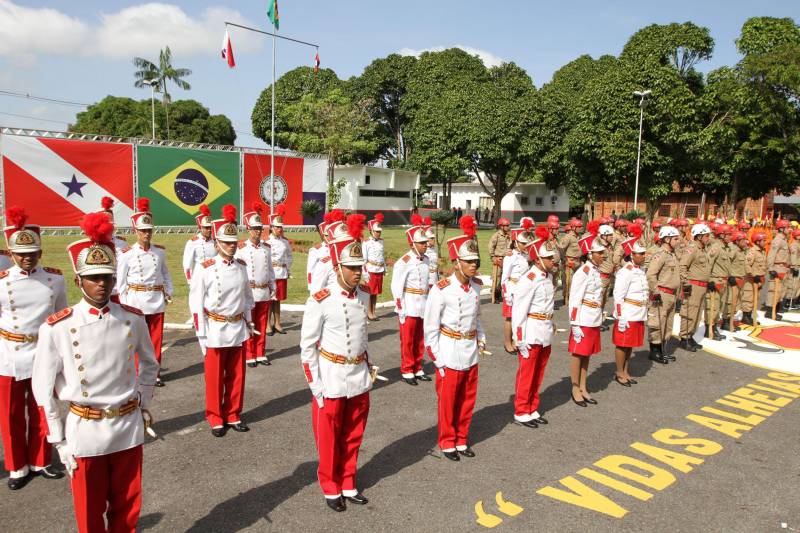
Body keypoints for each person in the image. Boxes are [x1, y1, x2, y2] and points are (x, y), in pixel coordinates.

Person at [32, 212, 158, 533]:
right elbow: (43, 388)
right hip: (85, 432)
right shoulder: (59, 327)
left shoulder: (131, 318)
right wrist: (58, 440)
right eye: (94, 277)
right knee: (89, 516)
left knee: (127, 511)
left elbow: (150, 363)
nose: (102, 284)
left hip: (127, 427)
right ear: (78, 281)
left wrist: (142, 403)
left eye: (107, 276)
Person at [299, 214, 373, 512]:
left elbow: (363, 338)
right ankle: (330, 484)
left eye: (359, 267)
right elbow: (306, 348)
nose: (358, 273)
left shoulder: (363, 295)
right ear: (338, 267)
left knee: (354, 433)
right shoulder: (321, 300)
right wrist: (315, 386)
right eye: (352, 268)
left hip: (358, 374)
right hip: (330, 376)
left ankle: (348, 479)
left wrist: (369, 367)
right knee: (330, 437)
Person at [0, 206, 67, 490]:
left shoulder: (55, 279)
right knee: (11, 413)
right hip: (8, 352)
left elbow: (63, 316)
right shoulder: (2, 283)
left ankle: (41, 460)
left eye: (32, 253)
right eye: (20, 254)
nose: (27, 258)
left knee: (43, 407)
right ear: (11, 254)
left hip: (43, 351)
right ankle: (17, 467)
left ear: (40, 253)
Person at [189, 205, 255, 437]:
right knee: (215, 377)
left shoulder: (241, 267)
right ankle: (215, 415)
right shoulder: (205, 268)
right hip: (215, 328)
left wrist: (249, 321)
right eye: (226, 242)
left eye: (233, 242)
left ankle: (233, 412)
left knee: (237, 375)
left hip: (237, 327)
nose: (231, 246)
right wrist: (202, 334)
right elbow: (195, 303)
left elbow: (247, 298)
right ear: (217, 243)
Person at [424, 216, 486, 461]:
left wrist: (480, 336)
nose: (474, 266)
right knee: (448, 401)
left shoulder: (477, 287)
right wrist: (437, 359)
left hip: (469, 349)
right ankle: (447, 441)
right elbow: (430, 329)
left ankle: (461, 438)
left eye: (476, 261)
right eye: (469, 262)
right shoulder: (441, 289)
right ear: (456, 263)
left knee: (467, 398)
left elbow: (477, 317)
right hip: (449, 350)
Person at [116, 198, 173, 387]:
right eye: (143, 231)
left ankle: (154, 373)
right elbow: (121, 281)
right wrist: (124, 303)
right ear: (136, 231)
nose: (146, 234)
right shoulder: (127, 254)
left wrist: (169, 290)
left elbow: (165, 272)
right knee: (136, 339)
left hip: (156, 300)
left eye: (149, 230)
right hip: (136, 301)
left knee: (156, 340)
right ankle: (136, 372)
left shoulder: (160, 252)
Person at [510, 229, 556, 427]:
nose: (553, 260)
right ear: (537, 259)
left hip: (544, 329)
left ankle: (532, 407)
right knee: (527, 373)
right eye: (548, 258)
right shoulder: (528, 279)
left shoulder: (547, 277)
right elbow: (519, 311)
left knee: (539, 372)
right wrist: (518, 338)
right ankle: (521, 410)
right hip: (530, 332)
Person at [567, 229, 606, 406]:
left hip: (593, 317)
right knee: (578, 354)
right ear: (590, 254)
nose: (603, 256)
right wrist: (574, 323)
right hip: (582, 319)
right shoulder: (582, 272)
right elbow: (575, 300)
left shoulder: (595, 271)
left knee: (587, 354)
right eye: (600, 253)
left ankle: (583, 386)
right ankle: (575, 387)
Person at [391, 214, 431, 385]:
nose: (426, 245)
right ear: (412, 244)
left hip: (423, 303)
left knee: (420, 338)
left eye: (425, 242)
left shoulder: (427, 260)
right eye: (422, 243)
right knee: (408, 340)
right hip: (409, 304)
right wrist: (400, 308)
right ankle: (407, 369)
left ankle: (418, 367)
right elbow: (396, 286)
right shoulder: (404, 261)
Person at [236, 203, 275, 368]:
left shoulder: (267, 248)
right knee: (250, 323)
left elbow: (271, 269)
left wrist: (273, 286)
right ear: (248, 229)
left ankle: (260, 352)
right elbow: (237, 270)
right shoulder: (241, 248)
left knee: (262, 322)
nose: (258, 231)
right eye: (255, 228)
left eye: (260, 228)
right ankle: (250, 353)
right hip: (250, 292)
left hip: (264, 290)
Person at [612, 230, 648, 386]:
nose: (644, 256)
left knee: (630, 345)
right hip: (628, 313)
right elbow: (618, 295)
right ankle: (619, 372)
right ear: (632, 255)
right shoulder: (625, 271)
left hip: (638, 313)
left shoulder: (638, 270)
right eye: (641, 254)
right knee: (622, 344)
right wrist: (620, 316)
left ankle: (626, 371)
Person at [646, 225, 681, 363]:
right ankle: (654, 351)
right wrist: (655, 291)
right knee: (658, 322)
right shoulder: (660, 255)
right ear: (667, 239)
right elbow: (650, 274)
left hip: (671, 294)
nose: (678, 241)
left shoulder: (672, 255)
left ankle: (662, 350)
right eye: (675, 239)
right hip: (662, 293)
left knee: (668, 323)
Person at [501, 220, 536, 354]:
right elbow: (504, 277)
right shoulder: (510, 256)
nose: (525, 245)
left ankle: (517, 339)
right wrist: (506, 294)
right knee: (510, 317)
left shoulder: (525, 255)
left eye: (527, 243)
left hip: (522, 289)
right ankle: (507, 342)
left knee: (520, 316)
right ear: (516, 243)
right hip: (512, 288)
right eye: (523, 243)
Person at [678, 224, 712, 352]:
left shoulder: (702, 249)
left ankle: (690, 335)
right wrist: (685, 283)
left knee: (698, 313)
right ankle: (684, 337)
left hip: (702, 286)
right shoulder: (692, 249)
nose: (708, 238)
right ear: (699, 236)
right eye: (706, 235)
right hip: (693, 285)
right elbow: (682, 266)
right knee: (690, 312)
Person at [267, 204, 292, 335]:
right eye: (277, 227)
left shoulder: (285, 241)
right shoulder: (266, 241)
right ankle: (267, 324)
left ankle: (277, 323)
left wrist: (286, 266)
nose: (279, 229)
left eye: (281, 227)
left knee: (278, 300)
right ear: (271, 228)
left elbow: (289, 256)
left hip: (281, 274)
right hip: (270, 274)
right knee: (270, 300)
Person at [706, 224, 731, 340]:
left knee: (719, 306)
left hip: (723, 281)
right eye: (728, 234)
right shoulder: (716, 247)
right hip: (715, 281)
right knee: (713, 306)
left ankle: (714, 326)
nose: (730, 237)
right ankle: (710, 329)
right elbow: (708, 263)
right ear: (722, 235)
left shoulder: (725, 247)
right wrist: (709, 280)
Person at [182, 204, 216, 282]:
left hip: (214, 276)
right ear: (201, 228)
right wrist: (190, 280)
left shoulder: (216, 241)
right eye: (206, 228)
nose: (209, 230)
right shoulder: (192, 242)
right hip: (199, 277)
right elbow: (187, 263)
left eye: (210, 227)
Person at [722, 231, 748, 329]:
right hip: (733, 280)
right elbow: (727, 263)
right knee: (730, 301)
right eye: (743, 240)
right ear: (737, 241)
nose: (745, 242)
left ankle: (731, 320)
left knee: (737, 302)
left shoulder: (741, 251)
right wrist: (729, 276)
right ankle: (726, 321)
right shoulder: (733, 250)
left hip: (740, 279)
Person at [362, 213, 386, 320]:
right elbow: (363, 260)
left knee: (375, 293)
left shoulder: (381, 242)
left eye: (379, 231)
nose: (378, 233)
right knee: (370, 293)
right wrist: (365, 273)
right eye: (377, 231)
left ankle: (373, 312)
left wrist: (384, 268)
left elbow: (382, 256)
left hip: (379, 270)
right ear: (371, 231)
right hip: (371, 270)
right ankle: (368, 312)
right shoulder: (366, 243)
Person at [766, 219, 791, 318]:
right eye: (787, 227)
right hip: (777, 267)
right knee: (773, 290)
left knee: (780, 291)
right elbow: (771, 255)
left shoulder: (784, 240)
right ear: (781, 229)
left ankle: (775, 309)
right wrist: (771, 268)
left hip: (783, 267)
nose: (789, 229)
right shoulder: (778, 240)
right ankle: (770, 310)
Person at [742, 232, 767, 326]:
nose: (765, 242)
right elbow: (747, 264)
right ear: (757, 242)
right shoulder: (752, 251)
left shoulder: (762, 251)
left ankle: (750, 315)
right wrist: (752, 275)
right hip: (751, 279)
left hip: (759, 279)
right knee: (749, 298)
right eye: (763, 240)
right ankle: (746, 316)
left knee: (755, 298)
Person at [560, 218, 583, 309]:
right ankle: (567, 299)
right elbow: (561, 249)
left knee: (577, 282)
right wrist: (566, 260)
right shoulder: (568, 237)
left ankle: (574, 298)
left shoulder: (579, 236)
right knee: (569, 282)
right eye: (579, 227)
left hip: (578, 261)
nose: (581, 228)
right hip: (570, 261)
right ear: (573, 227)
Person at [488, 219, 512, 303]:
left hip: (508, 259)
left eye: (508, 225)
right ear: (501, 226)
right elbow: (491, 247)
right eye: (506, 226)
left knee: (505, 278)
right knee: (497, 278)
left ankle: (502, 293)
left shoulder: (510, 235)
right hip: (499, 259)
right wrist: (493, 258)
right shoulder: (496, 235)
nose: (508, 227)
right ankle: (495, 295)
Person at [423, 217, 439, 289]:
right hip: (428, 278)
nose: (434, 240)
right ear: (427, 239)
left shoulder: (433, 249)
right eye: (431, 238)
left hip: (435, 276)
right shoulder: (424, 250)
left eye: (434, 238)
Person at [789, 229, 800, 310]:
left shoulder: (798, 244)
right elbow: (793, 256)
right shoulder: (794, 245)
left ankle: (795, 301)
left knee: (798, 286)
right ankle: (790, 302)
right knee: (794, 285)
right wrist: (794, 266)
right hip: (796, 266)